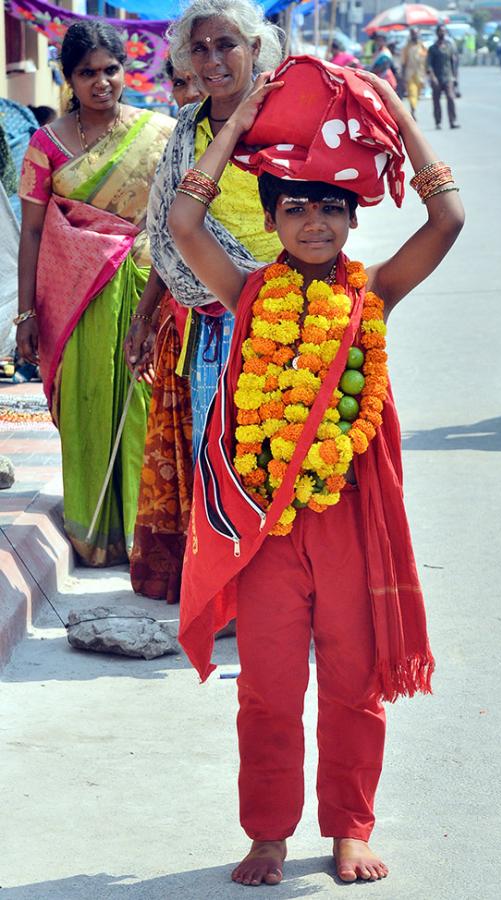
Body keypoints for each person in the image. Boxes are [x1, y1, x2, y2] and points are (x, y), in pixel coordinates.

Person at [168, 58, 464, 886]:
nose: (313, 223)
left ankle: (349, 823)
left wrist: (400, 116)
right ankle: (267, 830)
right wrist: (236, 121)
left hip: (349, 520)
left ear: (349, 218)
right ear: (272, 220)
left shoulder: (372, 297)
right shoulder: (249, 293)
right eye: (294, 208)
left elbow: (447, 219)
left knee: (352, 682)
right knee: (264, 690)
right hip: (265, 527)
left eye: (329, 208)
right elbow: (187, 223)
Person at [126, 0, 283, 618]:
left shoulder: (286, 122)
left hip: (281, 319)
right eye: (201, 49)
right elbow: (169, 235)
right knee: (215, 462)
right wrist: (145, 315)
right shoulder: (186, 129)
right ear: (184, 59)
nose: (214, 60)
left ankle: (282, 598)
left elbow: (322, 218)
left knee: (278, 453)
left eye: (227, 45)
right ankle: (229, 599)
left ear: (254, 47)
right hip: (209, 329)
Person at [16, 21, 174, 565]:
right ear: (69, 78)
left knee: (145, 408)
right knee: (87, 405)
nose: (102, 82)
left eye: (111, 69)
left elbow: (179, 216)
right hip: (77, 299)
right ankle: (94, 534)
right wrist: (24, 314)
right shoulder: (46, 144)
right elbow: (33, 231)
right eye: (87, 73)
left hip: (148, 286)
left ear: (126, 70)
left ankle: (145, 534)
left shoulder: (160, 133)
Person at [126, 60, 203, 604]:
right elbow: (166, 243)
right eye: (180, 81)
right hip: (185, 322)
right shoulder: (180, 143)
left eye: (201, 76)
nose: (191, 90)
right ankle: (192, 580)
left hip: (250, 321)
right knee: (186, 452)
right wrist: (146, 314)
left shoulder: (256, 140)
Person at [426, 25, 460, 129]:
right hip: (437, 78)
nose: (442, 33)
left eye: (444, 31)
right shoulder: (432, 48)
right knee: (436, 100)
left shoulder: (450, 46)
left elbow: (454, 62)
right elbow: (429, 65)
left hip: (448, 77)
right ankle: (438, 122)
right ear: (437, 33)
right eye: (440, 31)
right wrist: (433, 78)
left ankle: (452, 121)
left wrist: (455, 77)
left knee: (450, 98)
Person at [401, 27, 427, 120]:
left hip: (420, 74)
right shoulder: (407, 47)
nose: (415, 35)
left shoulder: (422, 46)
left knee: (418, 94)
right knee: (412, 92)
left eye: (416, 33)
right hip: (410, 74)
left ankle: (414, 108)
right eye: (413, 34)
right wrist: (403, 76)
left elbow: (426, 60)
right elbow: (403, 63)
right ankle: (413, 110)